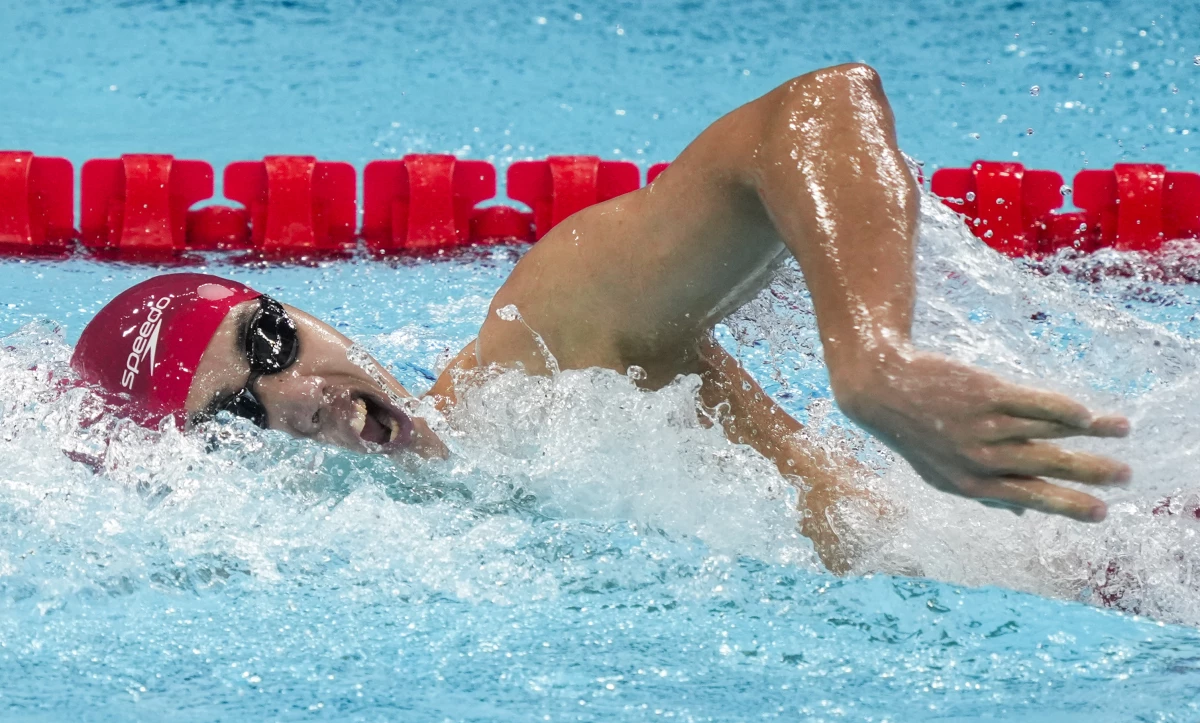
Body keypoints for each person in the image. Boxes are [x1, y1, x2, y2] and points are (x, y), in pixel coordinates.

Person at [72, 64, 1132, 572]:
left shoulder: (541, 353)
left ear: (302, 306)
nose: (297, 397)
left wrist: (872, 357)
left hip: (1087, 549)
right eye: (236, 418)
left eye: (269, 341)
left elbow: (819, 107)